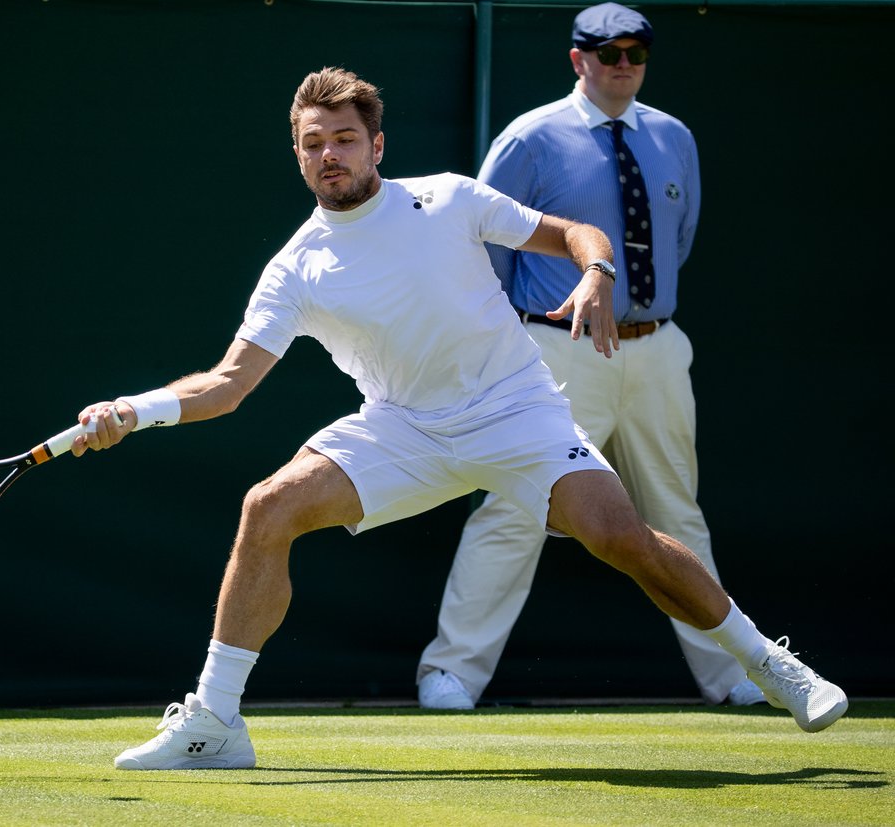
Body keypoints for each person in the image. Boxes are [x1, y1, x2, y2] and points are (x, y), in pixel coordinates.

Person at [72, 66, 847, 771]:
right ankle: (215, 720)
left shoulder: (449, 197)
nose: (330, 155)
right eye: (315, 144)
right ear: (299, 156)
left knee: (621, 537)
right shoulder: (295, 267)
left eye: (346, 139)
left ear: (377, 145)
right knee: (267, 506)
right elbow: (227, 385)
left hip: (516, 409)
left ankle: (772, 663)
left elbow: (575, 233)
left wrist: (597, 272)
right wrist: (131, 411)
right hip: (401, 429)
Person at [417, 3, 765, 712]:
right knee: (515, 508)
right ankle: (450, 672)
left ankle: (730, 674)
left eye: (637, 51)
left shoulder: (673, 137)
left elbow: (680, 238)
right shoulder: (531, 138)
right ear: (578, 60)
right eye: (608, 53)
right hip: (554, 347)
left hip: (657, 347)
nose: (624, 64)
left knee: (677, 511)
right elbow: (480, 246)